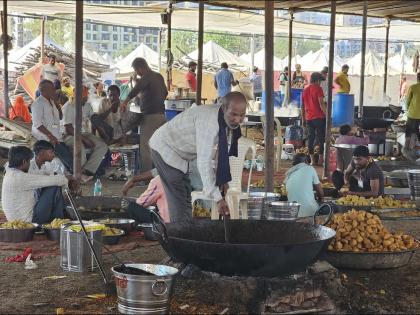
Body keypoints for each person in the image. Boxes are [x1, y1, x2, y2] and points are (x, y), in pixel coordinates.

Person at [149, 91, 247, 223]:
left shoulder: (223, 118)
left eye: (242, 115)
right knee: (178, 198)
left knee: (184, 194)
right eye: (233, 114)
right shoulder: (209, 123)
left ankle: (184, 232)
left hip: (180, 154)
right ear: (223, 108)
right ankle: (180, 237)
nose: (237, 120)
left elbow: (221, 153)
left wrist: (223, 180)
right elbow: (204, 162)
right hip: (165, 148)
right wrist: (218, 199)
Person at [120, 57, 168, 172]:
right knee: (160, 146)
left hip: (150, 116)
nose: (137, 73)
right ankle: (160, 173)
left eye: (136, 70)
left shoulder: (147, 77)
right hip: (161, 115)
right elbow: (165, 92)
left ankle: (145, 176)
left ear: (140, 68)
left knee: (146, 147)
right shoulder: (158, 76)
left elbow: (136, 90)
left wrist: (125, 101)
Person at [1, 146, 68, 224]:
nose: (30, 164)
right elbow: (59, 180)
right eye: (29, 161)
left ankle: (56, 220)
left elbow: (38, 175)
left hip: (17, 219)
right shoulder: (21, 177)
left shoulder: (10, 172)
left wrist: (52, 175)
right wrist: (69, 180)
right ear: (24, 162)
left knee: (49, 185)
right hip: (29, 221)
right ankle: (57, 221)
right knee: (54, 187)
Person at [62, 86, 108, 181]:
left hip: (83, 133)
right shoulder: (68, 107)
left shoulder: (87, 105)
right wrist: (84, 139)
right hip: (69, 135)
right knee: (80, 146)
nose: (86, 99)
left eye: (86, 97)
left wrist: (104, 133)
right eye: (83, 97)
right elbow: (68, 128)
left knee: (102, 146)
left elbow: (94, 118)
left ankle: (86, 171)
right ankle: (78, 175)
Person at [31, 80, 73, 173]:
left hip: (56, 135)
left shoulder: (52, 102)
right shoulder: (38, 103)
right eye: (52, 89)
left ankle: (72, 172)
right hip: (45, 136)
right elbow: (37, 124)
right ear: (45, 90)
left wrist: (57, 104)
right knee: (64, 152)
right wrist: (50, 136)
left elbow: (61, 117)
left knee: (66, 151)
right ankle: (76, 172)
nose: (54, 90)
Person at [285, 153, 324, 217]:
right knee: (331, 208)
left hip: (293, 214)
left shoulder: (289, 175)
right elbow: (320, 191)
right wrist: (321, 199)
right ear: (305, 161)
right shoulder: (310, 168)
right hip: (310, 213)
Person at [302, 72, 326, 166]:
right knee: (321, 138)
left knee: (310, 139)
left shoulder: (305, 90)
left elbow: (302, 107)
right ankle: (320, 160)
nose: (320, 83)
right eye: (320, 81)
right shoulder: (318, 88)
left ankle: (312, 161)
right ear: (318, 80)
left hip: (309, 118)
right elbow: (321, 103)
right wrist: (328, 115)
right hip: (319, 118)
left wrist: (303, 119)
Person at [402, 72, 420, 161]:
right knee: (417, 132)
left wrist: (407, 110)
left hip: (412, 114)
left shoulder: (413, 87)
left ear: (417, 78)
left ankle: (406, 150)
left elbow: (407, 101)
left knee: (408, 132)